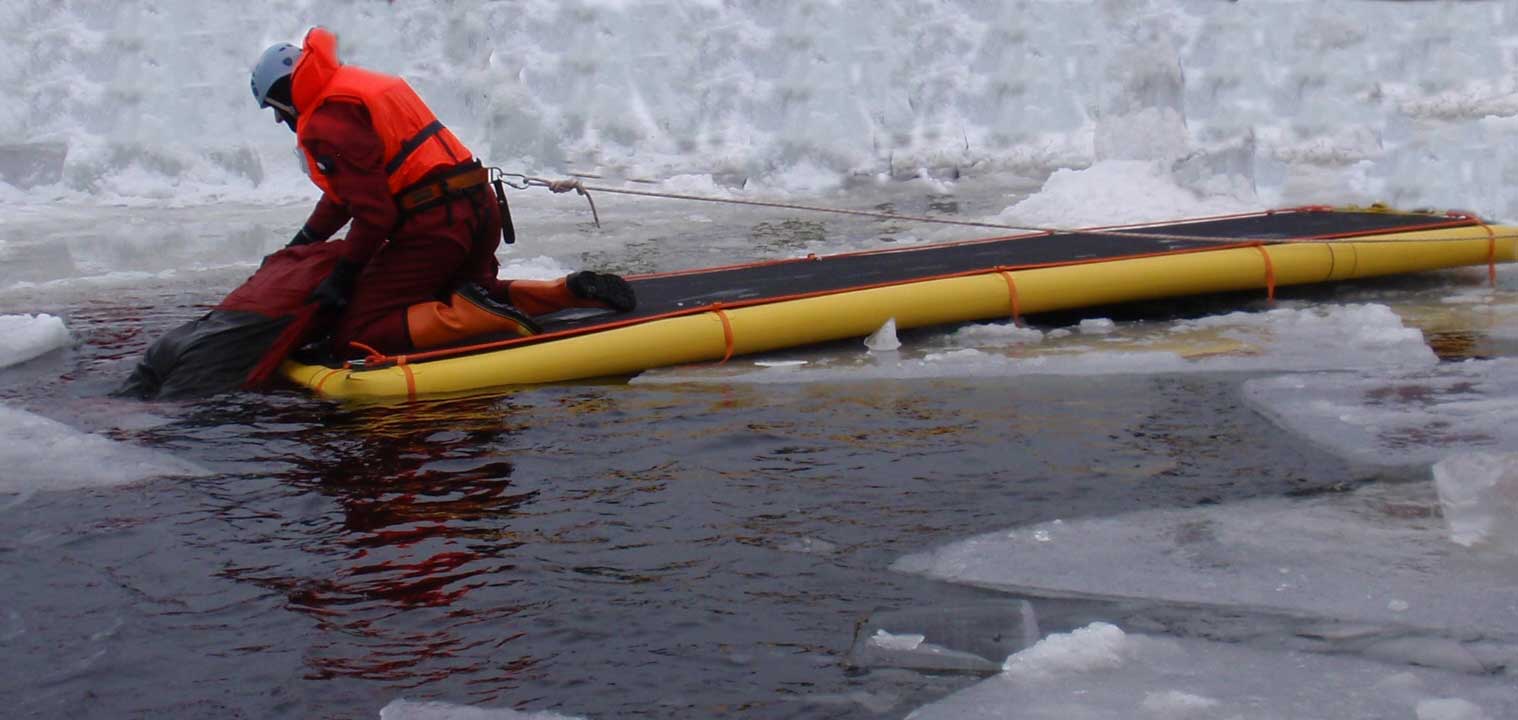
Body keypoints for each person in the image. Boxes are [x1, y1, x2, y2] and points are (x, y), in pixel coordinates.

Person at [249, 27, 634, 358]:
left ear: (283, 92)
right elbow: (345, 194)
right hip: (479, 207)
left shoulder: (326, 121)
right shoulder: (355, 86)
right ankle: (567, 292)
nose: (281, 119)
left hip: (436, 223)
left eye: (275, 109)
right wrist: (302, 242)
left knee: (357, 331)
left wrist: (342, 278)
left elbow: (374, 215)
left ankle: (473, 316)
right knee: (469, 288)